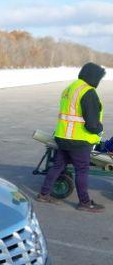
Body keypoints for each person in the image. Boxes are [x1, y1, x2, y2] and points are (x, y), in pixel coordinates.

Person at [37, 62, 106, 212]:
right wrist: (99, 129)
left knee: (58, 166)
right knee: (82, 170)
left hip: (63, 137)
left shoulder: (69, 89)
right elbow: (92, 124)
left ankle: (44, 194)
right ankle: (85, 203)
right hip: (79, 139)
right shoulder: (88, 92)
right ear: (93, 77)